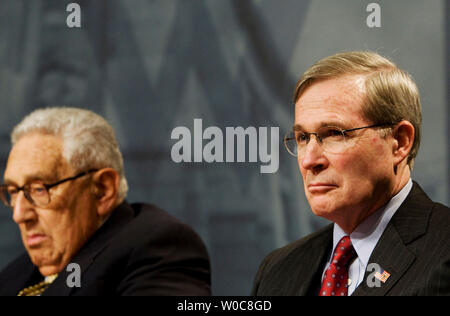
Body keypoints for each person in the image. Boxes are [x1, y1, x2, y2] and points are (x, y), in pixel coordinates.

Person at [252, 51, 450, 296]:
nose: (310, 160)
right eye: (303, 138)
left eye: (335, 133)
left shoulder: (444, 253)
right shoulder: (277, 270)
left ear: (399, 142)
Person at [0, 107, 211, 296]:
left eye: (38, 189)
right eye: (13, 192)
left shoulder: (158, 249)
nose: (19, 214)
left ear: (102, 190)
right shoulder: (14, 275)